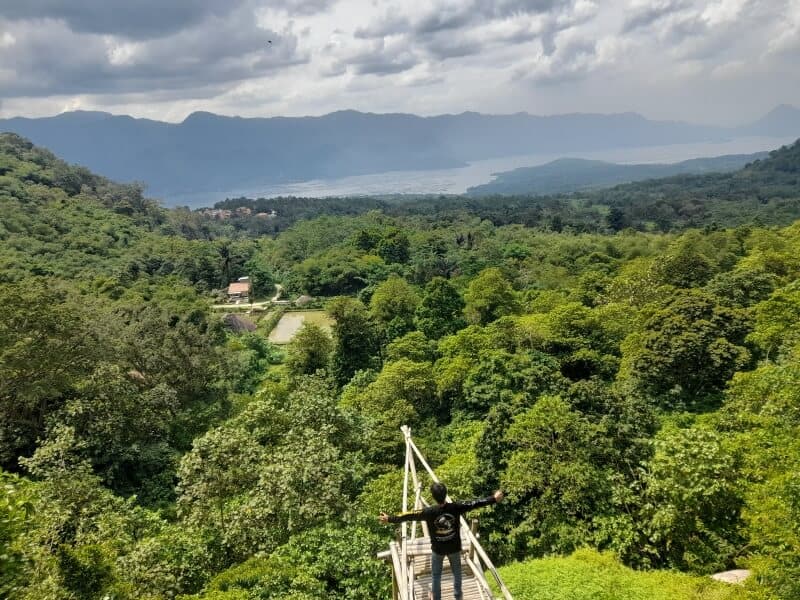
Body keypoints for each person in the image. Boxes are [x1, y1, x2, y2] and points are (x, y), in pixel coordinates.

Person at [379, 482, 504, 600]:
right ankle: (458, 596)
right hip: (454, 547)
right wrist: (493, 498)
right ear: (446, 494)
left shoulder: (428, 512)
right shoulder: (456, 507)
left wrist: (389, 518)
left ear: (433, 497)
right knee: (457, 573)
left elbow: (408, 515)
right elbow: (474, 503)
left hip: (438, 550)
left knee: (436, 576)